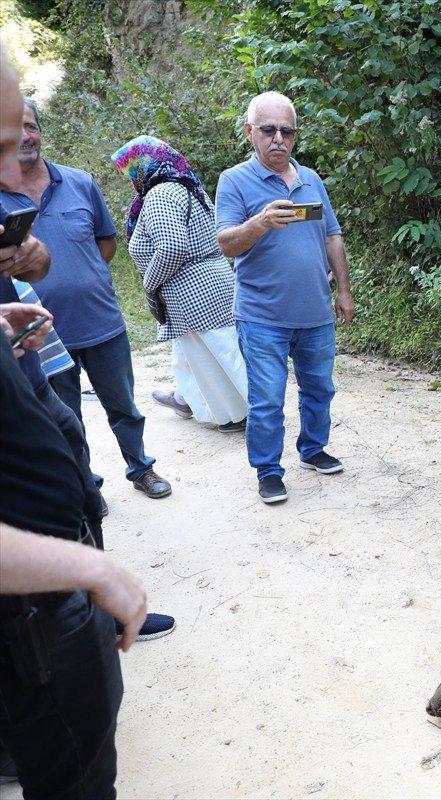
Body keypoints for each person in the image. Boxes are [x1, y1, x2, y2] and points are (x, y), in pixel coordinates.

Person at [0, 44, 149, 799]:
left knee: (92, 433)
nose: (17, 149)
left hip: (47, 601)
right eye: (0, 138)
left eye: (21, 131)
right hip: (27, 612)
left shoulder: (77, 185)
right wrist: (91, 571)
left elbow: (97, 247)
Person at [0, 96, 172, 499]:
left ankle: (141, 468)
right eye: (13, 127)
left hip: (101, 321)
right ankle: (85, 482)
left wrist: (81, 275)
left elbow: (106, 243)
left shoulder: (78, 182)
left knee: (124, 406)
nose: (25, 135)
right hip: (42, 335)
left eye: (30, 125)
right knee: (66, 419)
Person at [215, 91, 355, 504]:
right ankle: (269, 470)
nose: (278, 138)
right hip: (262, 316)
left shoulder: (311, 179)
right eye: (268, 130)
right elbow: (225, 243)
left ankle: (312, 449)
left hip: (315, 312)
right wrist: (259, 223)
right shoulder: (234, 180)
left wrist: (344, 291)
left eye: (286, 131)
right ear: (249, 132)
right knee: (267, 400)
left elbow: (332, 235)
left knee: (319, 390)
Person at [112, 135, 248, 432]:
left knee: (221, 355)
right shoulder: (186, 186)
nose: (128, 177)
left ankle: (246, 413)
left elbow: (173, 247)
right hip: (207, 282)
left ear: (142, 166)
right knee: (199, 353)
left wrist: (150, 285)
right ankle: (187, 398)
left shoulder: (160, 195)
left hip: (194, 289)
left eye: (128, 169)